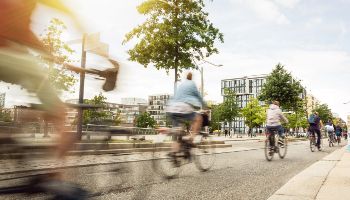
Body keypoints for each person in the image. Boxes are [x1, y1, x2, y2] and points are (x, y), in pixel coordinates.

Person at [0, 0, 86, 198]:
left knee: (39, 103)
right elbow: (71, 14)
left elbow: (22, 31)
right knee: (61, 112)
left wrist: (58, 59)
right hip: (9, 54)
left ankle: (10, 136)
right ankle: (57, 179)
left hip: (12, 53)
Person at [166, 72, 206, 152]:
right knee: (198, 118)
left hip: (172, 108)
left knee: (177, 132)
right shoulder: (192, 84)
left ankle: (174, 154)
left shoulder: (181, 85)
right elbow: (198, 96)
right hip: (183, 107)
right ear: (191, 78)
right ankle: (191, 139)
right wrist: (205, 105)